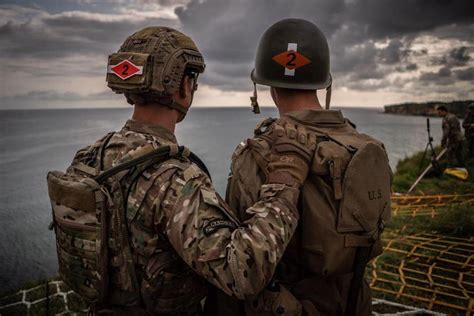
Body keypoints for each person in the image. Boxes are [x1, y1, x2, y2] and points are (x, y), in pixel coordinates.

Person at [47, 26, 314, 315]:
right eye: (192, 80)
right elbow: (242, 274)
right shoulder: (172, 180)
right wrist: (286, 178)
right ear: (183, 87)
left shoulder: (87, 158)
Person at [222, 19, 392, 316]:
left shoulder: (258, 153)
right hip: (353, 302)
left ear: (264, 84)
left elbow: (239, 259)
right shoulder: (362, 146)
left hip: (287, 305)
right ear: (323, 82)